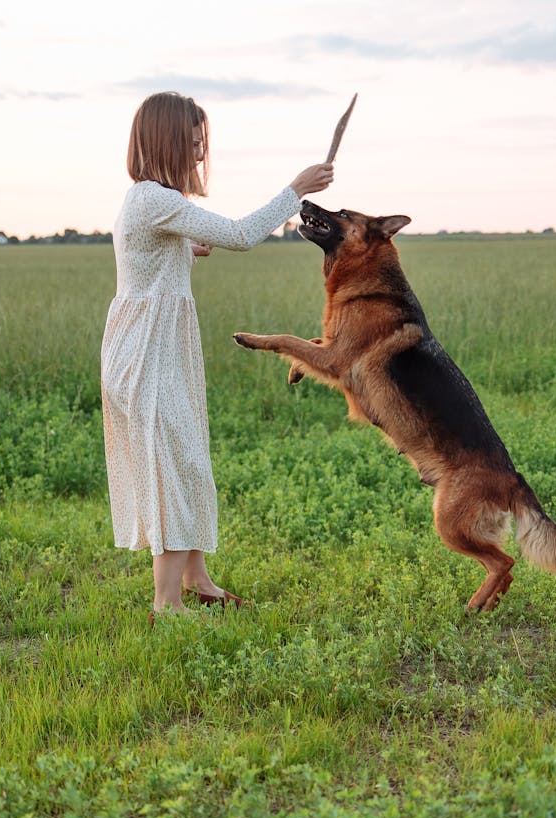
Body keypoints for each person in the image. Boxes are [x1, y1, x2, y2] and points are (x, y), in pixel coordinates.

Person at [100, 91, 334, 622]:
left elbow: (151, 256)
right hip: (144, 354)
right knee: (171, 467)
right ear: (167, 142)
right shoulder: (152, 200)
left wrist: (183, 249)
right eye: (193, 141)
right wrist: (295, 192)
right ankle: (167, 604)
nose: (201, 150)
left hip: (156, 347)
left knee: (189, 459)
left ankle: (198, 580)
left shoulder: (153, 202)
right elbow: (239, 235)